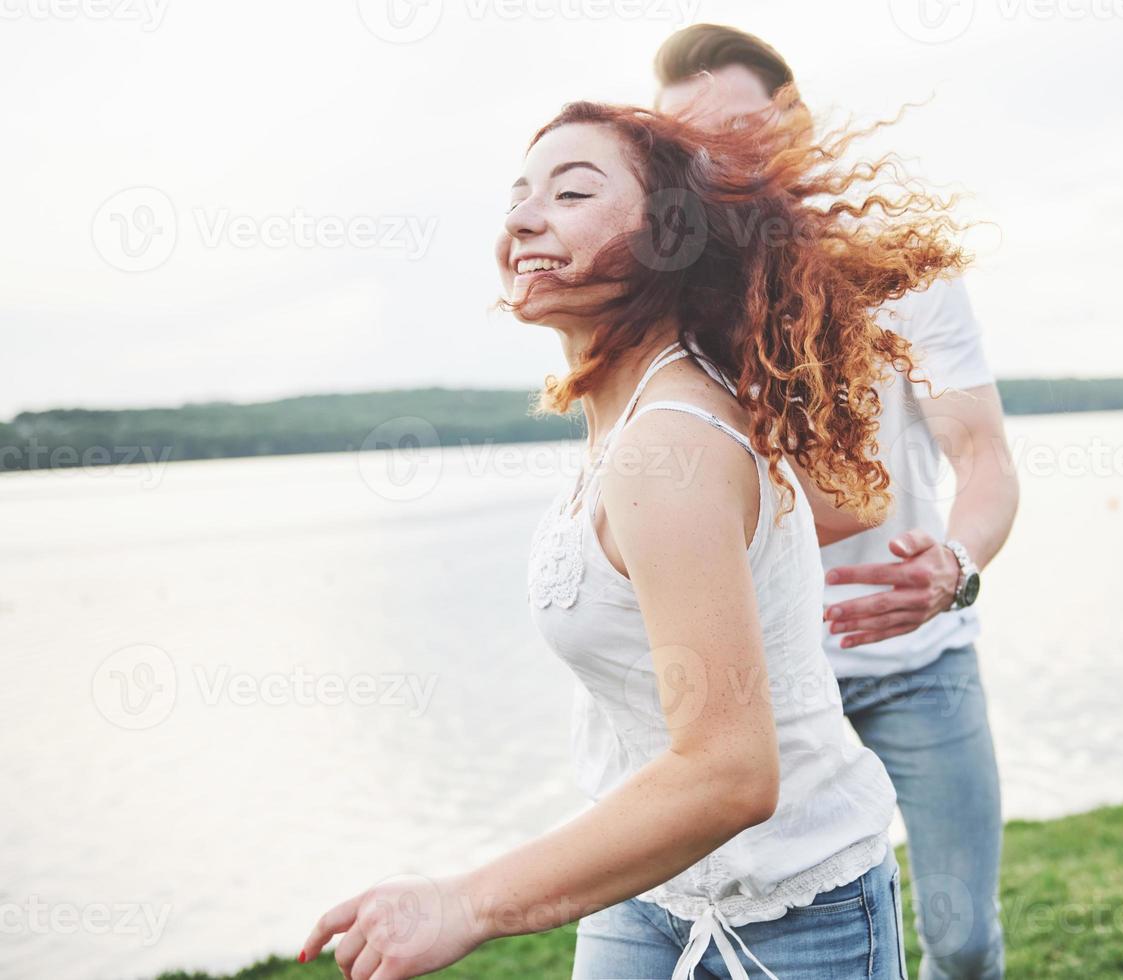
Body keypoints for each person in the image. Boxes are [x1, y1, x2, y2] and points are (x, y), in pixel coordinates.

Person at [299, 92, 972, 978]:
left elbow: (730, 774)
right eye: (518, 197)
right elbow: (817, 516)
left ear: (668, 238)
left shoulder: (670, 443)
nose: (523, 219)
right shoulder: (640, 415)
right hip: (649, 890)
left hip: (794, 916)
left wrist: (463, 901)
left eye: (571, 194)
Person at [655, 25, 1020, 980]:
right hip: (765, 692)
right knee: (749, 942)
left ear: (796, 126)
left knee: (965, 941)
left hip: (918, 665)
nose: (719, 158)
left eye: (740, 130)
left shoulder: (904, 273)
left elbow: (981, 456)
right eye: (689, 142)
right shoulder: (670, 301)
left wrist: (956, 568)